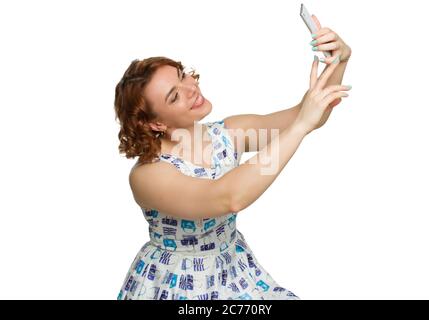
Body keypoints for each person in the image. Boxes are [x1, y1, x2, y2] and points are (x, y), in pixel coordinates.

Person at [114, 54, 351, 300]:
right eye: (174, 96)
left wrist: (338, 61)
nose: (190, 88)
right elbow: (229, 197)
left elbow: (310, 115)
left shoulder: (229, 133)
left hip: (233, 268)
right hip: (179, 284)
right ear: (155, 124)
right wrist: (301, 126)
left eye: (182, 75)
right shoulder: (148, 175)